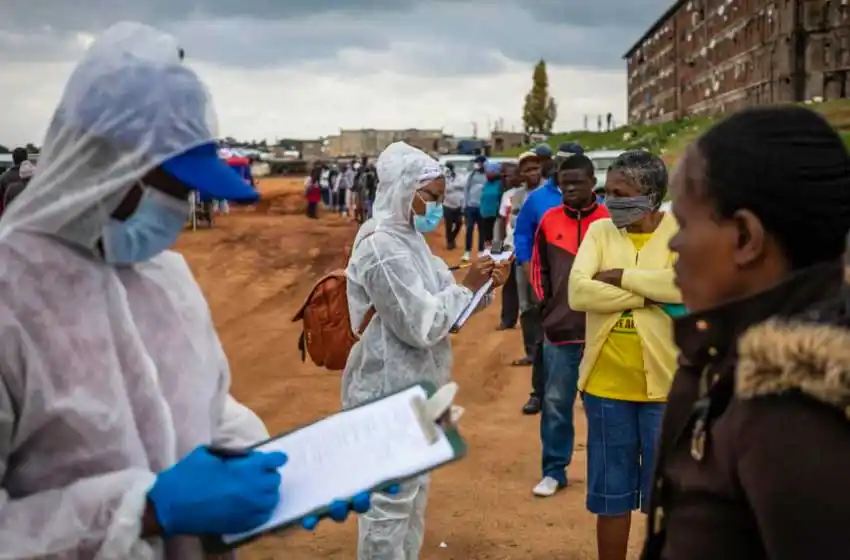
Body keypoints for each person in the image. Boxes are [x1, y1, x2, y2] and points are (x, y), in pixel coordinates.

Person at [0, 23, 375, 558]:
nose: (179, 211)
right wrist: (146, 510)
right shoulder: (11, 298)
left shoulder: (165, 278)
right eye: (171, 189)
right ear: (104, 170)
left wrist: (286, 474)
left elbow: (206, 406)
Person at [643, 106, 850, 560]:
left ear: (746, 238)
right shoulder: (732, 356)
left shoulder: (794, 414)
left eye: (683, 223)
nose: (673, 245)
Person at [344, 141, 510, 559]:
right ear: (403, 190)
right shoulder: (380, 247)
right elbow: (422, 325)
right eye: (431, 197)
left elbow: (449, 307)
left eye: (439, 196)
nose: (438, 206)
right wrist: (468, 285)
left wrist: (487, 282)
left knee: (414, 496)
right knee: (388, 505)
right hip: (387, 392)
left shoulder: (411, 240)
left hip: (424, 388)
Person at [568, 150, 680, 560]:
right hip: (605, 387)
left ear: (649, 196)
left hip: (666, 388)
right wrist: (650, 292)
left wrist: (619, 278)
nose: (610, 201)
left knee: (665, 497)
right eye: (608, 191)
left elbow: (687, 286)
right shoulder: (599, 233)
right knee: (610, 496)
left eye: (621, 193)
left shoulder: (679, 232)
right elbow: (579, 293)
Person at [529, 154, 609, 497]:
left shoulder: (610, 220)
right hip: (559, 331)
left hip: (602, 332)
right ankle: (554, 470)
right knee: (557, 402)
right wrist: (546, 307)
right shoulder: (549, 220)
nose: (571, 189)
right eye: (565, 183)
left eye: (578, 182)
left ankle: (606, 473)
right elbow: (537, 269)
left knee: (604, 406)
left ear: (593, 182)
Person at [495, 162, 520, 330]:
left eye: (510, 175)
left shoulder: (529, 194)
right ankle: (508, 319)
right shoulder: (507, 195)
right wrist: (498, 242)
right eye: (505, 176)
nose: (507, 179)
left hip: (528, 247)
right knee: (509, 284)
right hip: (510, 247)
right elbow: (500, 220)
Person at [462, 155, 488, 261]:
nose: (479, 165)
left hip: (482, 207)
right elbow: (466, 190)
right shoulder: (472, 175)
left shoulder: (488, 175)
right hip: (471, 206)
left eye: (481, 162)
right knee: (469, 228)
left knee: (482, 230)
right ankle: (467, 252)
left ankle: (481, 251)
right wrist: (465, 205)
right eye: (478, 163)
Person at [442, 162, 465, 250]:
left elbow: (463, 185)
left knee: (459, 223)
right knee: (449, 225)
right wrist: (455, 187)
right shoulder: (443, 178)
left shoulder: (459, 176)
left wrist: (452, 187)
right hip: (447, 205)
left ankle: (451, 238)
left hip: (458, 205)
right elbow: (445, 188)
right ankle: (449, 242)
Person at [0, 147, 29, 215]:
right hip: (28, 217)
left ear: (13, 159)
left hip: (9, 217)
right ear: (26, 159)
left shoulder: (4, 177)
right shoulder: (34, 177)